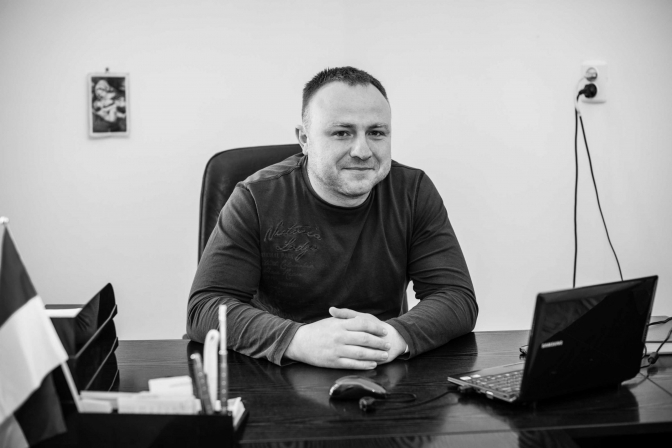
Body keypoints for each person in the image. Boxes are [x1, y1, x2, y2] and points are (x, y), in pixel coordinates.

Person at [187, 67, 477, 370]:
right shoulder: (255, 197)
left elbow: (455, 296)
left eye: (376, 133)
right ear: (304, 139)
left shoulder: (413, 191)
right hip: (276, 372)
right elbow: (204, 309)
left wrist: (392, 337)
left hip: (380, 368)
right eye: (342, 133)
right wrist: (299, 340)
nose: (362, 151)